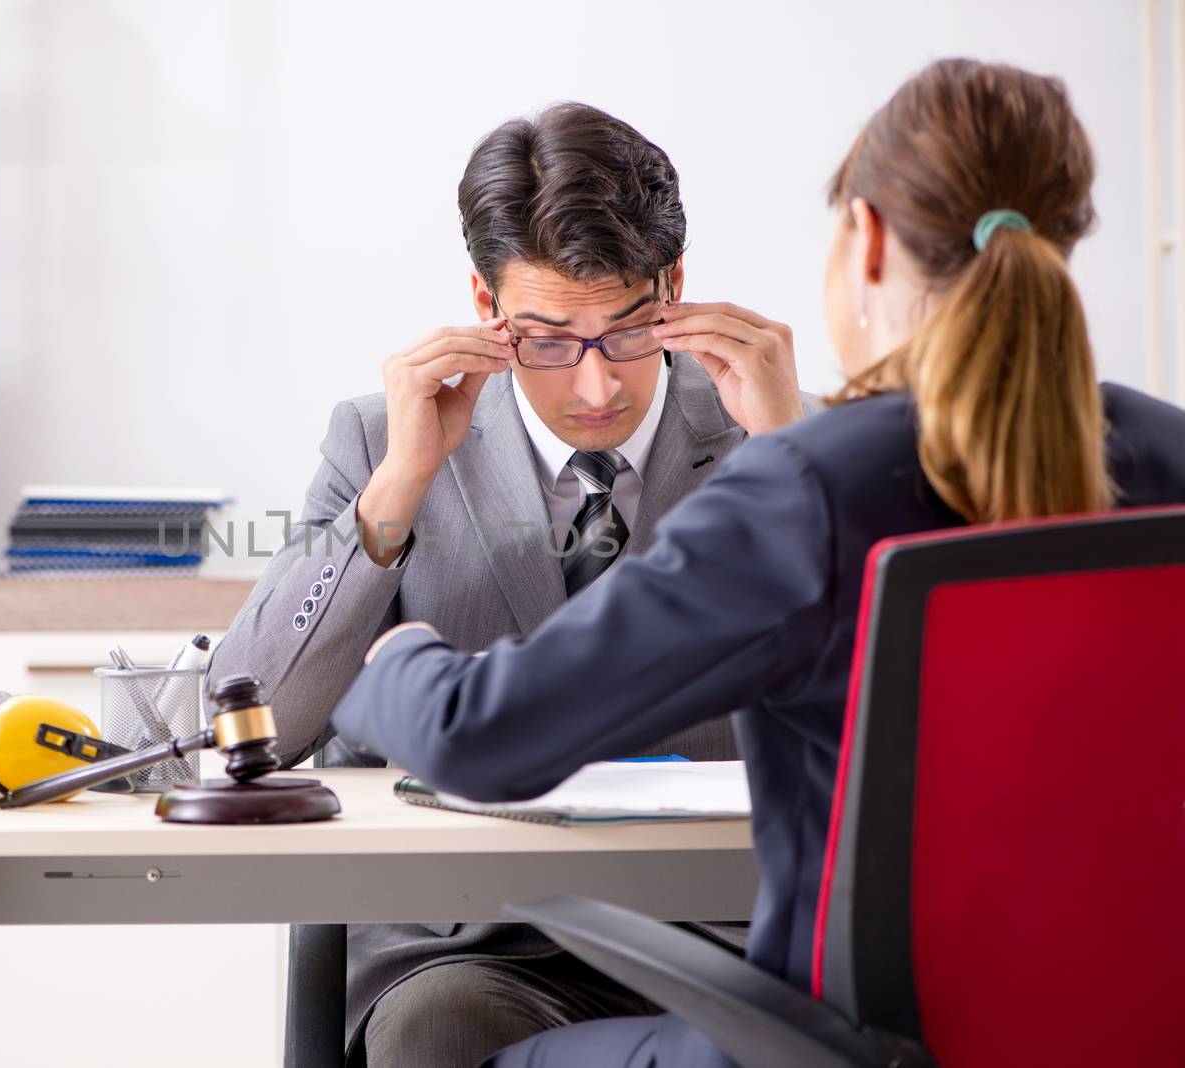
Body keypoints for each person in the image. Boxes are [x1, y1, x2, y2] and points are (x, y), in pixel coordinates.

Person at [330, 58, 1185, 1068]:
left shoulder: (814, 482)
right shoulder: (1168, 456)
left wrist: (395, 661)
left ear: (863, 239)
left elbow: (481, 738)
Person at [207, 102, 812, 1068]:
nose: (597, 386)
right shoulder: (382, 438)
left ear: (675, 288)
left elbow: (908, 711)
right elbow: (260, 723)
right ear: (487, 308)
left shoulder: (780, 425)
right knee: (436, 1032)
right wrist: (397, 490)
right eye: (547, 340)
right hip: (476, 941)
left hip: (733, 936)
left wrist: (799, 463)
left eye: (626, 331)